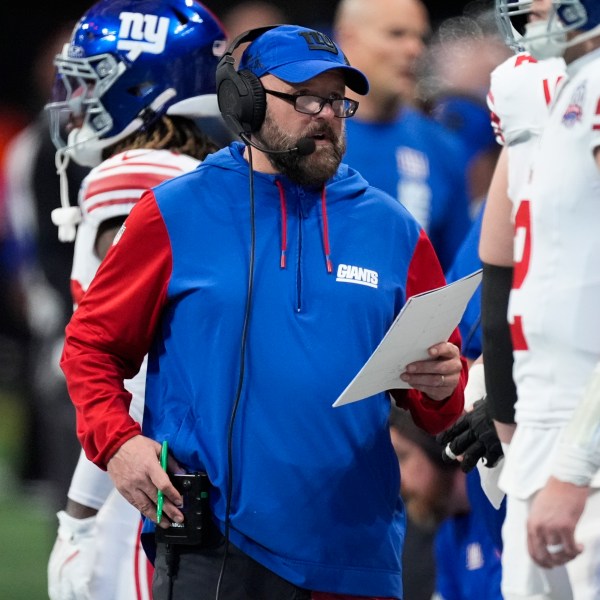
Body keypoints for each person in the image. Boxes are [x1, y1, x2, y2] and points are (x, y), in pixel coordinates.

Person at [59, 23, 467, 600]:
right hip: (216, 551)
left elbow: (436, 398)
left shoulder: (393, 228)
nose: (325, 114)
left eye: (337, 101)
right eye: (305, 97)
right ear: (243, 101)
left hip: (358, 554)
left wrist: (443, 383)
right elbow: (90, 347)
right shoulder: (173, 213)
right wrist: (118, 443)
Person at [44, 1, 227, 599]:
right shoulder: (210, 176)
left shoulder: (132, 179)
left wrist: (80, 514)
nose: (76, 97)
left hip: (149, 472)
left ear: (146, 84)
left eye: (92, 77)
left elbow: (135, 371)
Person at [490, 1, 600, 597]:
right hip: (545, 431)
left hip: (584, 441)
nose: (528, 8)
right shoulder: (559, 89)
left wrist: (577, 464)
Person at [333, 0, 473, 272]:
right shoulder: (308, 138)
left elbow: (457, 275)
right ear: (347, 38)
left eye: (420, 37)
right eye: (396, 34)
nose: (414, 49)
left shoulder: (442, 146)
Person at [390, 406, 504, 600]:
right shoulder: (448, 537)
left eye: (402, 457)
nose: (398, 479)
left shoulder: (502, 505)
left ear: (434, 444)